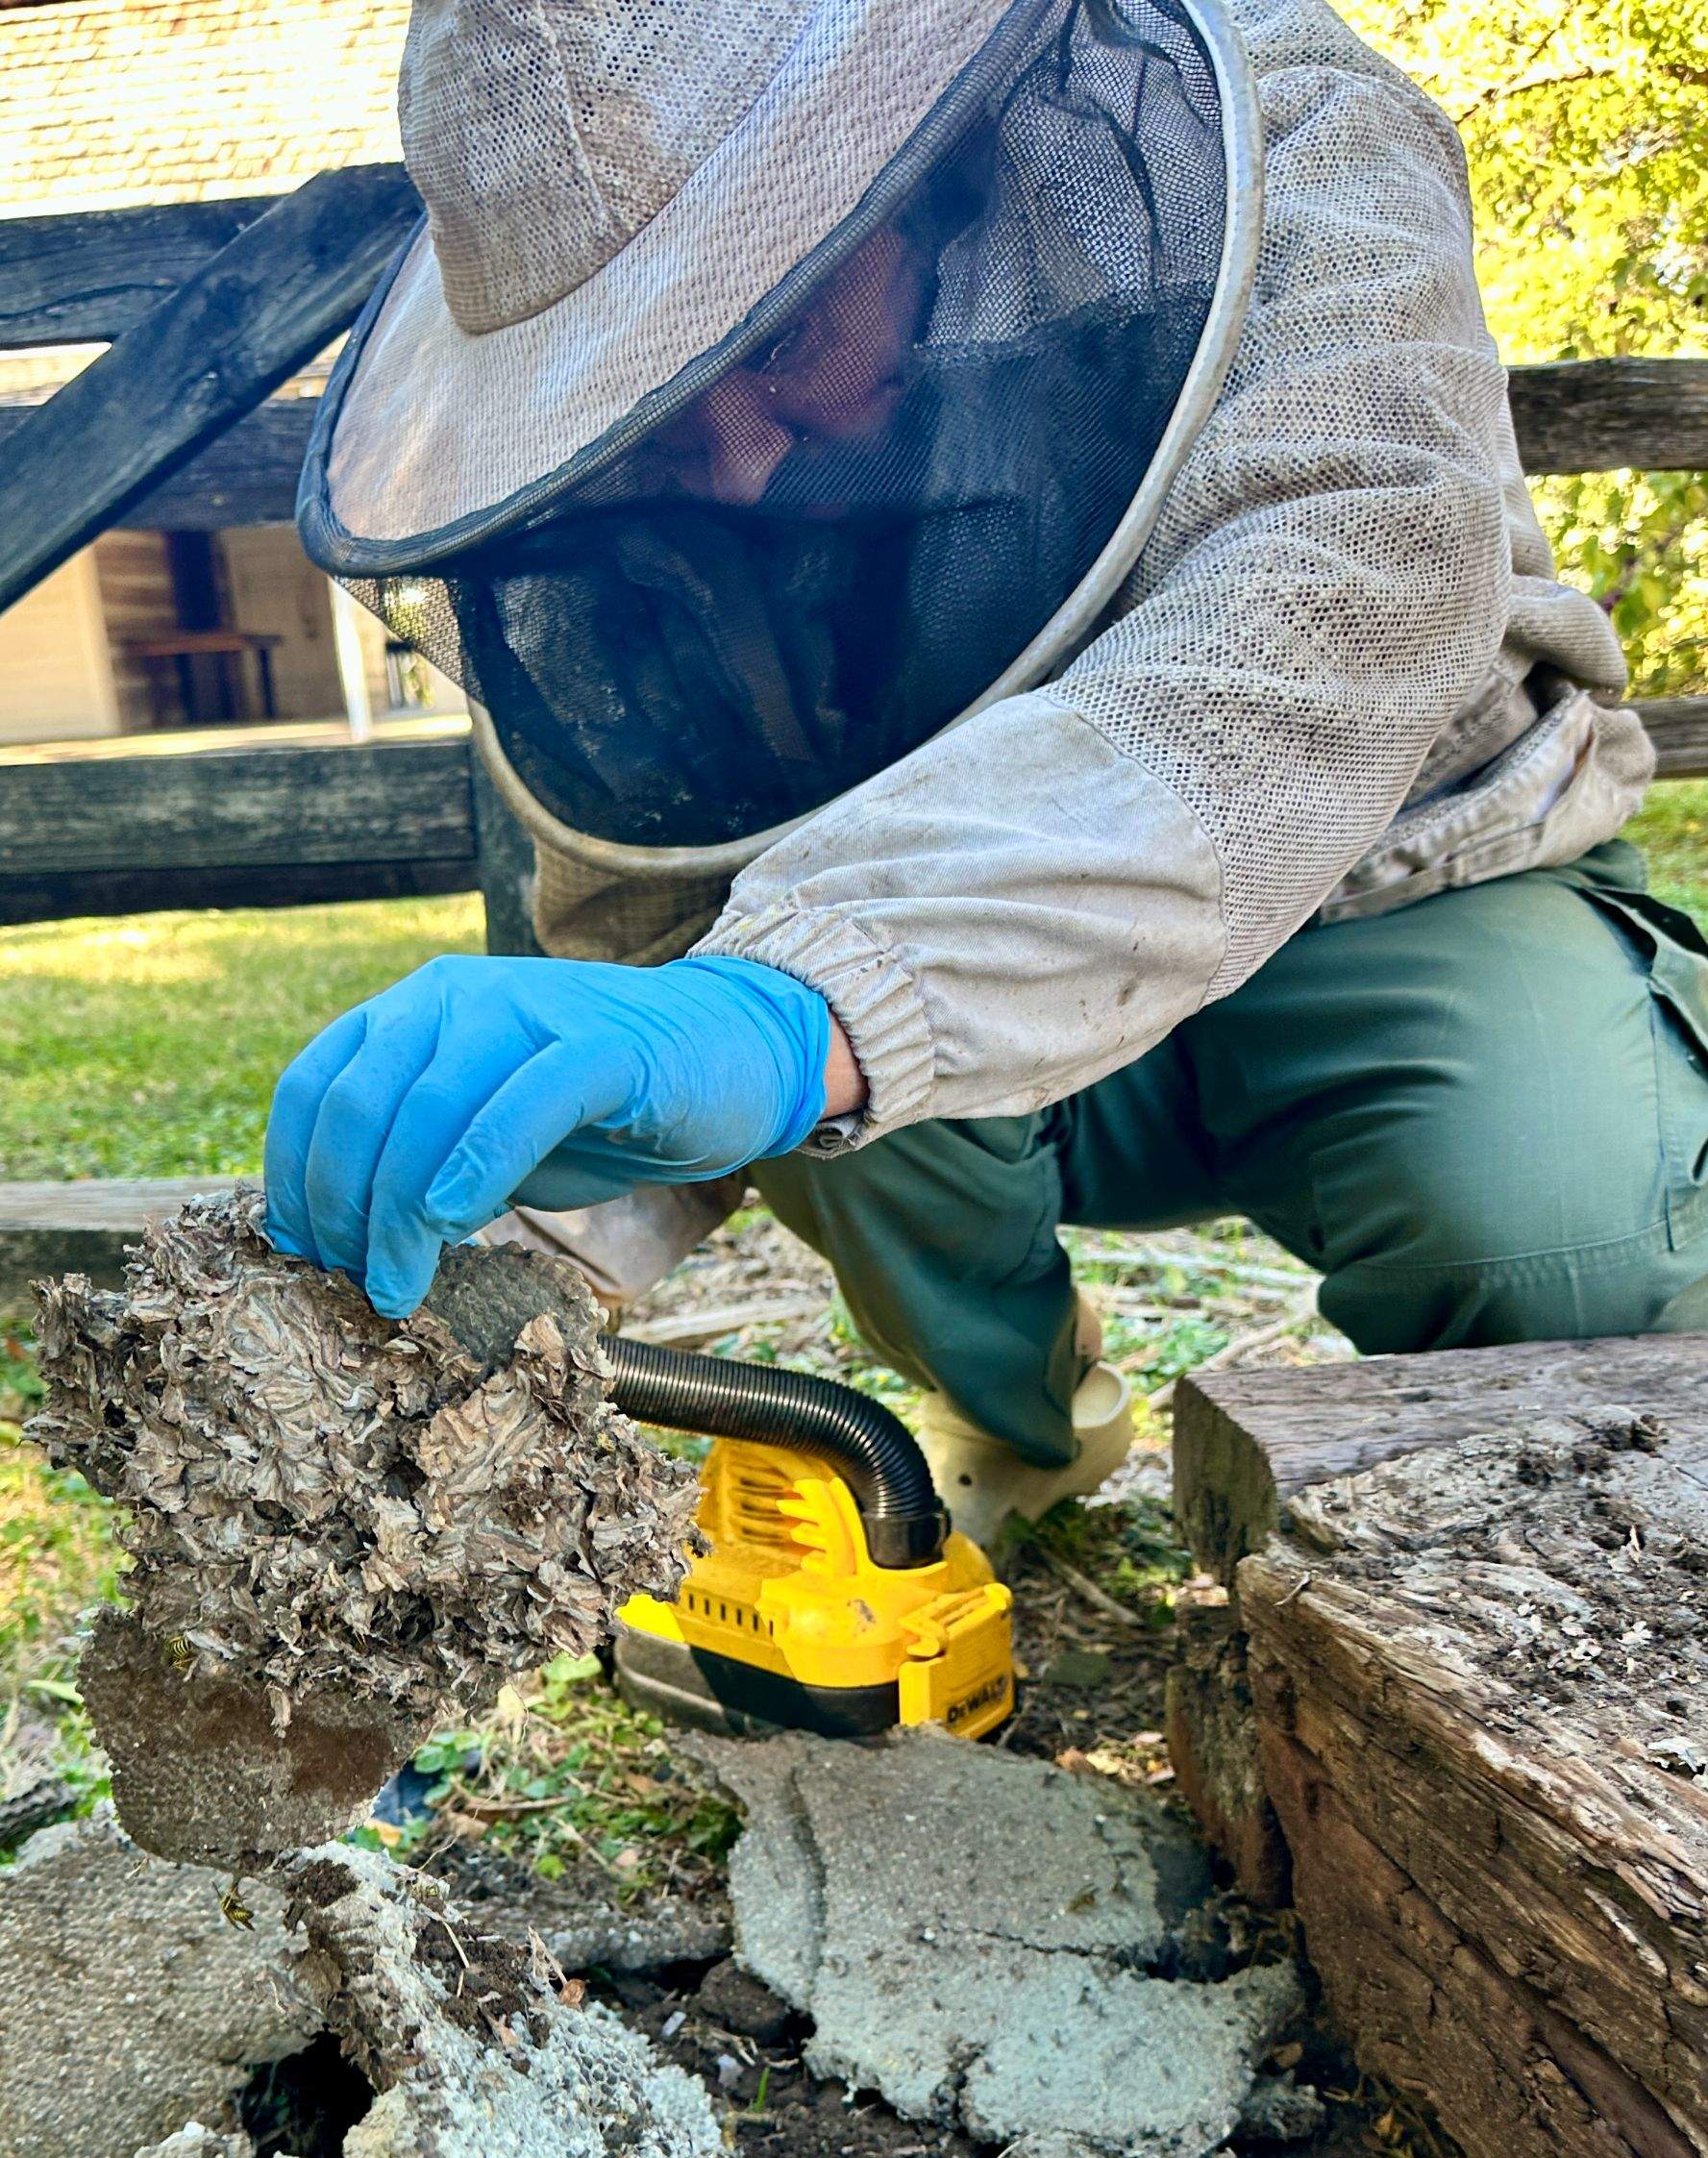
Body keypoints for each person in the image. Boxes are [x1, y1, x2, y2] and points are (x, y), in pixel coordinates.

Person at [270, 0, 1708, 1547]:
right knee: (770, 1033)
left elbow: (1336, 599)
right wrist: (518, 1237)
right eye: (648, 389)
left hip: (1412, 893)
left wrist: (804, 998)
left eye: (769, 336)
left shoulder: (1290, 114)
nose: (739, 460)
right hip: (942, 1007)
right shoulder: (686, 466)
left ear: (929, 161)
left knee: (1559, 1249)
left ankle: (1521, 1535)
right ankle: (1025, 1423)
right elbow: (664, 910)